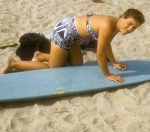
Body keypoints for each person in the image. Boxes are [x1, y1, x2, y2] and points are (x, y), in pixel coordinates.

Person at [0, 8, 145, 83]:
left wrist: (114, 62)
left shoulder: (115, 26)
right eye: (130, 23)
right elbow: (100, 53)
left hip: (74, 35)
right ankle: (15, 64)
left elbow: (106, 45)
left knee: (76, 65)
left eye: (134, 27)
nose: (130, 29)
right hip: (64, 32)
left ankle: (41, 55)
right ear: (122, 17)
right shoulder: (108, 25)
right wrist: (107, 74)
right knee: (53, 67)